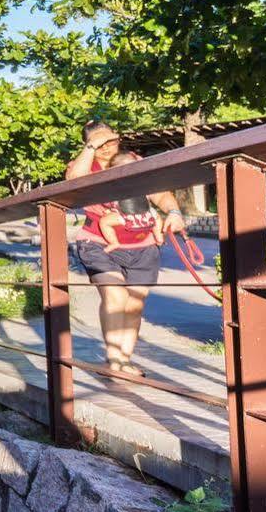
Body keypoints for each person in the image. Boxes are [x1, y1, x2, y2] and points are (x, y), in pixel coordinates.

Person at [65, 124, 186, 378]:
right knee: (115, 296)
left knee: (134, 304)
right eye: (99, 142)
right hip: (99, 243)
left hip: (142, 246)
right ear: (88, 144)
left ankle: (125, 360)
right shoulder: (84, 166)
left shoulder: (132, 162)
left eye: (111, 139)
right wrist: (91, 147)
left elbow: (161, 194)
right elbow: (74, 183)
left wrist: (174, 213)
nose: (107, 145)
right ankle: (113, 361)